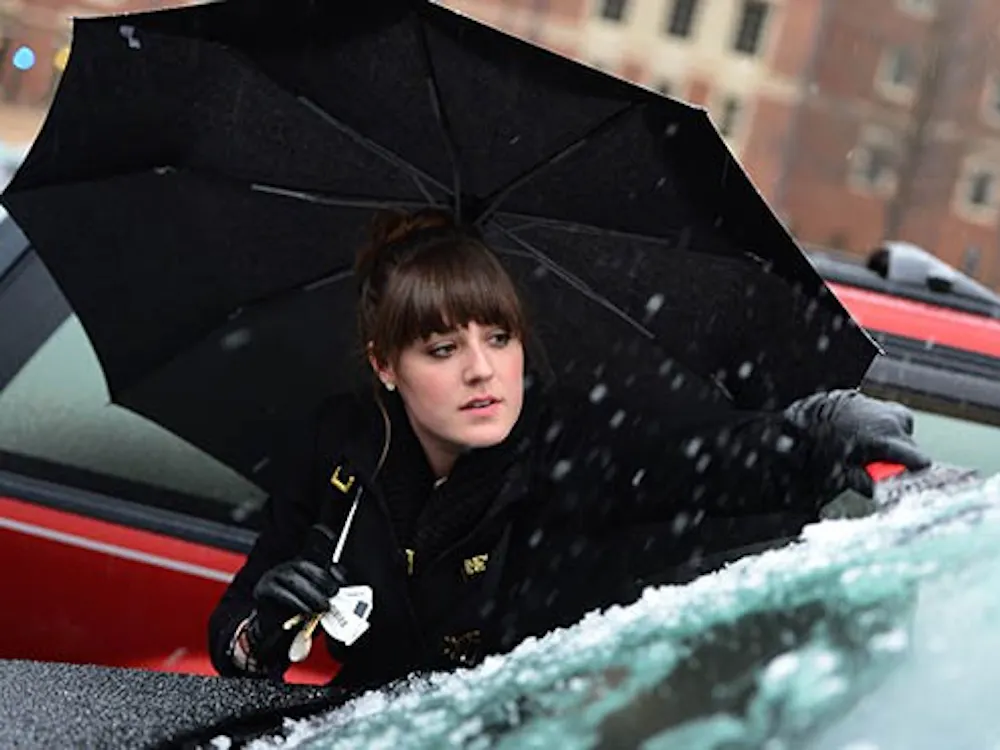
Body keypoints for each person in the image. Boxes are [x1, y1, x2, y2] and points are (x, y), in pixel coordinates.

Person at [208, 208, 930, 692]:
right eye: (441, 348)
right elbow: (237, 630)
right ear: (386, 366)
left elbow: (712, 456)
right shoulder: (343, 448)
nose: (482, 370)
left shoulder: (566, 444)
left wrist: (823, 426)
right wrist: (263, 631)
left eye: (499, 338)